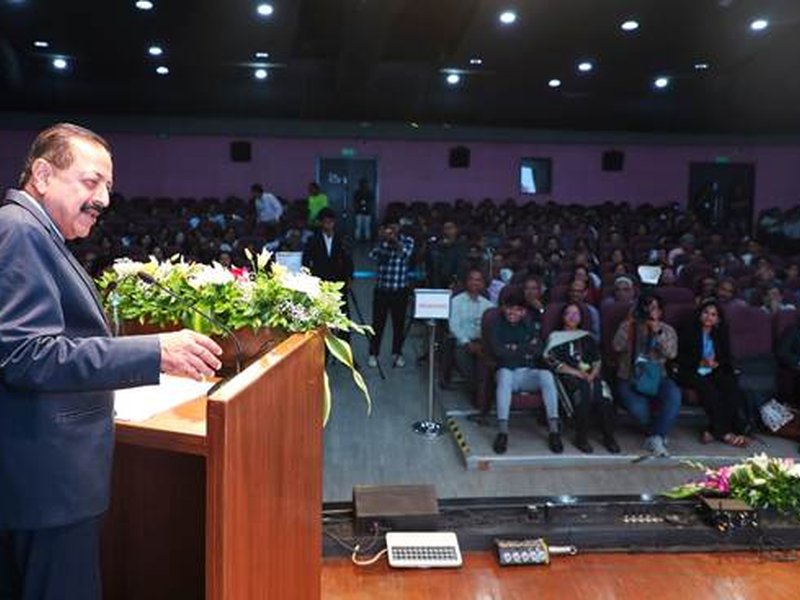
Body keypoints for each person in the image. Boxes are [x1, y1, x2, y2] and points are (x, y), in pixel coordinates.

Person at [0, 123, 223, 599]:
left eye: (108, 186)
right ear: (42, 175)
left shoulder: (37, 233)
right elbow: (26, 354)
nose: (103, 198)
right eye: (91, 181)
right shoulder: (19, 231)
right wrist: (155, 351)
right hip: (47, 489)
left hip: (46, 485)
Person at [487, 286, 562, 455]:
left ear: (523, 312)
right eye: (509, 308)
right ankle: (503, 432)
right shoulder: (496, 325)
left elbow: (538, 350)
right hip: (506, 372)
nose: (512, 312)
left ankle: (554, 431)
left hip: (527, 372)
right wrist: (525, 348)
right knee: (504, 376)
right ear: (503, 308)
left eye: (517, 309)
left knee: (546, 376)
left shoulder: (528, 325)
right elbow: (499, 352)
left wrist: (514, 348)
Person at [544, 303, 620, 454]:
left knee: (603, 395)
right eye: (569, 313)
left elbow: (597, 360)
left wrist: (592, 374)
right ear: (562, 317)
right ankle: (581, 437)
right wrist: (577, 373)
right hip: (568, 376)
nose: (572, 317)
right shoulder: (555, 337)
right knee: (583, 391)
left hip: (590, 375)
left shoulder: (587, 337)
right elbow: (551, 361)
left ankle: (609, 436)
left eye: (576, 314)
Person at [612, 293, 682, 457]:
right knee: (640, 410)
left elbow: (671, 353)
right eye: (645, 307)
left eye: (653, 308)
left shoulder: (667, 329)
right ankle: (657, 434)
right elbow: (616, 346)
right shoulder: (628, 326)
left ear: (660, 312)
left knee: (674, 395)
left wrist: (657, 333)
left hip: (657, 377)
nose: (649, 311)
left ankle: (656, 437)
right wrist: (628, 324)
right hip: (629, 376)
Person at [676, 299, 750, 447]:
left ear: (718, 319)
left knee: (730, 385)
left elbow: (725, 357)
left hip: (712, 370)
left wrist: (717, 363)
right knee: (710, 391)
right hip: (690, 370)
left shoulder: (720, 333)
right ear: (700, 314)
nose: (708, 317)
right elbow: (678, 357)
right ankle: (725, 434)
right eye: (706, 313)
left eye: (713, 314)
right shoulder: (688, 330)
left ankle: (714, 430)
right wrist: (700, 362)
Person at [368, 219, 414, 368]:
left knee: (398, 324)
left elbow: (405, 255)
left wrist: (395, 242)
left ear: (399, 227)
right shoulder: (382, 241)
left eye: (395, 227)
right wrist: (383, 241)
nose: (392, 230)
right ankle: (373, 353)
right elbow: (373, 256)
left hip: (400, 289)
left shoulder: (407, 240)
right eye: (390, 228)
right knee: (377, 323)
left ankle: (397, 353)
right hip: (382, 289)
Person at [302, 207, 354, 337]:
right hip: (320, 281)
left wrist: (350, 278)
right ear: (321, 223)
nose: (328, 225)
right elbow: (306, 260)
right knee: (321, 314)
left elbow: (348, 260)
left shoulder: (341, 239)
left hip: (339, 281)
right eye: (325, 222)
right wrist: (309, 278)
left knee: (342, 313)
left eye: (331, 222)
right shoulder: (313, 240)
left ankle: (344, 344)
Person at [448, 268, 493, 389]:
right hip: (463, 343)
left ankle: (484, 389)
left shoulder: (488, 305)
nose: (475, 283)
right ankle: (476, 390)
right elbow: (454, 326)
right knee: (466, 362)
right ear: (466, 282)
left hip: (482, 343)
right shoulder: (456, 301)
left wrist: (482, 344)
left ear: (483, 283)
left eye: (478, 280)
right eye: (471, 279)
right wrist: (467, 343)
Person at [427, 219, 467, 288]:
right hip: (437, 284)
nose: (448, 231)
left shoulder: (462, 247)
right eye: (446, 228)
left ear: (456, 229)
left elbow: (462, 266)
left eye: (451, 228)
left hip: (456, 285)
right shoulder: (435, 247)